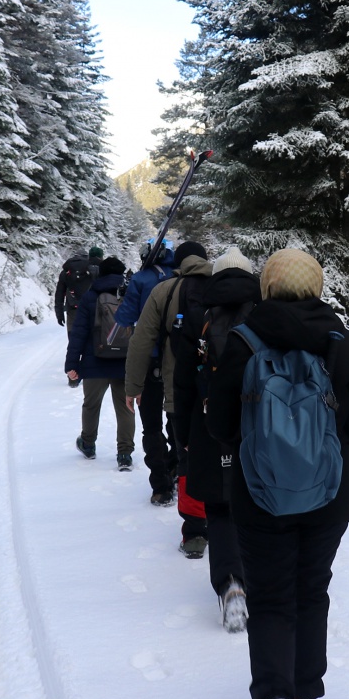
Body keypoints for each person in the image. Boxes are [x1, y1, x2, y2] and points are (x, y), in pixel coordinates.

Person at [205, 249, 349, 699]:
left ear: (268, 286)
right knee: (312, 589)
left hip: (259, 497)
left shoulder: (243, 342)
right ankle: (305, 697)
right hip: (330, 497)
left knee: (272, 597)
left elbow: (221, 424)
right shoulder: (342, 343)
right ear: (317, 285)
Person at [184, 247, 260, 630]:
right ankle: (261, 579)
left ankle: (230, 583)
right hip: (258, 423)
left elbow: (183, 380)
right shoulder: (265, 314)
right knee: (258, 504)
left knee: (219, 507)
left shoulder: (198, 314)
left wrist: (182, 436)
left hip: (210, 422)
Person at [123, 241, 212, 556]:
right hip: (219, 392)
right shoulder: (224, 286)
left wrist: (132, 386)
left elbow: (141, 340)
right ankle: (225, 522)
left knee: (188, 459)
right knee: (223, 456)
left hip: (177, 390)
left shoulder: (164, 291)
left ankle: (195, 533)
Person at [114, 238, 176, 503]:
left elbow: (124, 318)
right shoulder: (180, 278)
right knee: (177, 421)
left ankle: (161, 485)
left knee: (151, 425)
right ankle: (175, 466)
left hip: (148, 358)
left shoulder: (140, 280)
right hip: (177, 359)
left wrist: (127, 294)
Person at [65, 256, 136, 470]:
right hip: (124, 363)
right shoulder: (130, 295)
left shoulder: (90, 296)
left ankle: (88, 444)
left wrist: (72, 364)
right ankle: (124, 454)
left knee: (91, 405)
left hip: (94, 360)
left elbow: (78, 333)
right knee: (126, 408)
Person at [54, 246, 103, 334]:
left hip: (73, 310)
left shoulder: (66, 271)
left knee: (73, 339)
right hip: (91, 310)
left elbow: (59, 295)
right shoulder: (92, 269)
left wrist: (59, 314)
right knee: (90, 341)